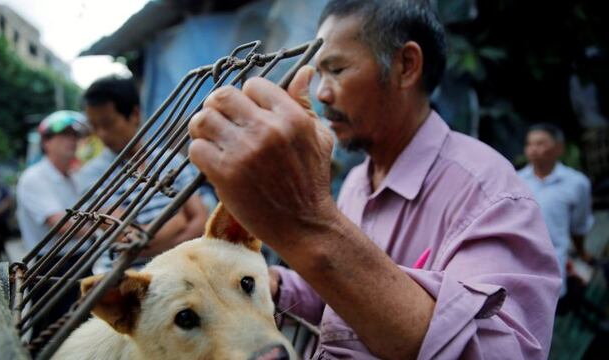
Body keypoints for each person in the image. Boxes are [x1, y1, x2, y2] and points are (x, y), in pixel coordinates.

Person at [187, 0, 561, 358]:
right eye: (319, 73)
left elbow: (499, 351)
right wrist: (271, 286)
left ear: (406, 66)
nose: (322, 92)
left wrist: (309, 221)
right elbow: (339, 297)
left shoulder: (488, 193)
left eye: (337, 69)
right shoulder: (356, 183)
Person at [75, 76, 208, 262]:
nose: (101, 134)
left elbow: (201, 220)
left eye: (108, 123)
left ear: (135, 114)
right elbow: (129, 240)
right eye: (94, 126)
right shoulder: (92, 175)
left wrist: (151, 238)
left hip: (182, 269)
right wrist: (179, 220)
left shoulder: (170, 160)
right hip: (125, 278)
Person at [16, 110, 91, 336]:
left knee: (82, 332)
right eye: (64, 135)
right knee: (50, 335)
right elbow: (63, 225)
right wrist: (106, 228)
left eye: (74, 135)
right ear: (46, 142)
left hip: (81, 259)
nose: (72, 140)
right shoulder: (35, 177)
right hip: (51, 266)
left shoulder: (75, 177)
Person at [518, 123, 594, 297]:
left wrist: (581, 252)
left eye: (540, 144)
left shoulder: (576, 183)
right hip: (522, 264)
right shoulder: (516, 181)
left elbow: (579, 226)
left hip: (555, 265)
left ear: (559, 148)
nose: (533, 150)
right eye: (530, 144)